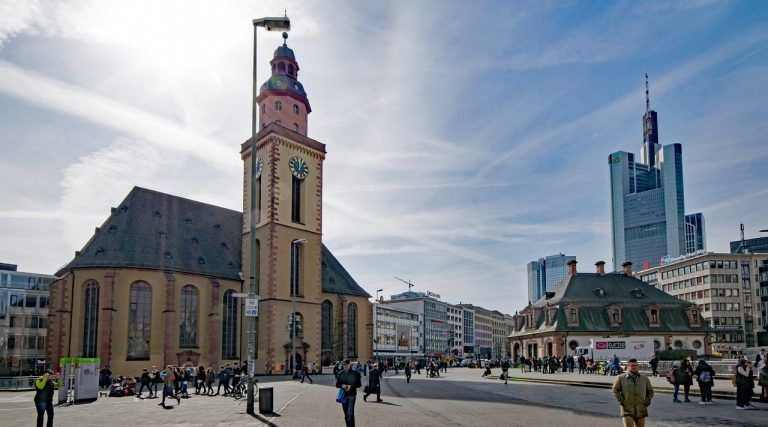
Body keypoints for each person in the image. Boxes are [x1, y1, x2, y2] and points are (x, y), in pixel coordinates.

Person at [612, 358, 654, 427]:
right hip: (627, 409)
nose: (634, 367)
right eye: (632, 366)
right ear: (627, 366)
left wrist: (647, 400)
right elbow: (615, 390)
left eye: (636, 365)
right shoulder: (620, 378)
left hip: (641, 409)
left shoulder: (644, 378)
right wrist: (621, 400)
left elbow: (650, 391)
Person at [336, 360, 362, 427]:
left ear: (350, 365)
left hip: (352, 395)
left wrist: (351, 386)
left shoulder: (355, 373)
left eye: (347, 364)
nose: (345, 366)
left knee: (350, 413)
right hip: (343, 395)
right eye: (344, 364)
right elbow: (337, 385)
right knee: (346, 414)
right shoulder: (340, 373)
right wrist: (342, 386)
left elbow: (359, 384)